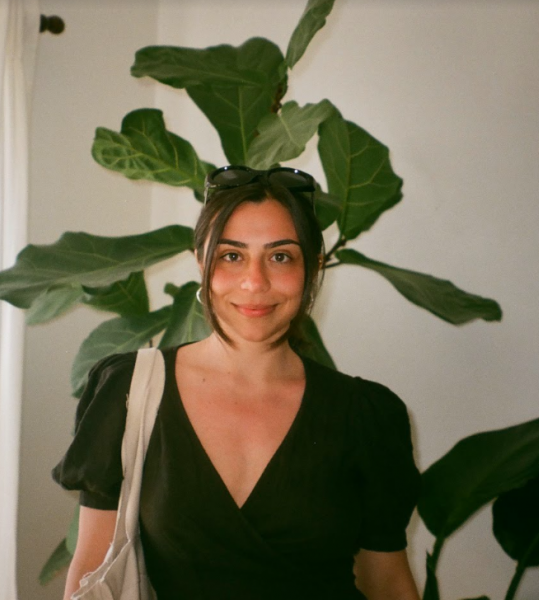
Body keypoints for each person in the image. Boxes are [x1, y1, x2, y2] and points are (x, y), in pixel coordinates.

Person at [53, 165, 421, 600]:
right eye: (231, 256)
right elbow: (92, 568)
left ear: (314, 268)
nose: (254, 282)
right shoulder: (129, 391)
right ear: (200, 262)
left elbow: (388, 583)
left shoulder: (366, 414)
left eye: (280, 256)